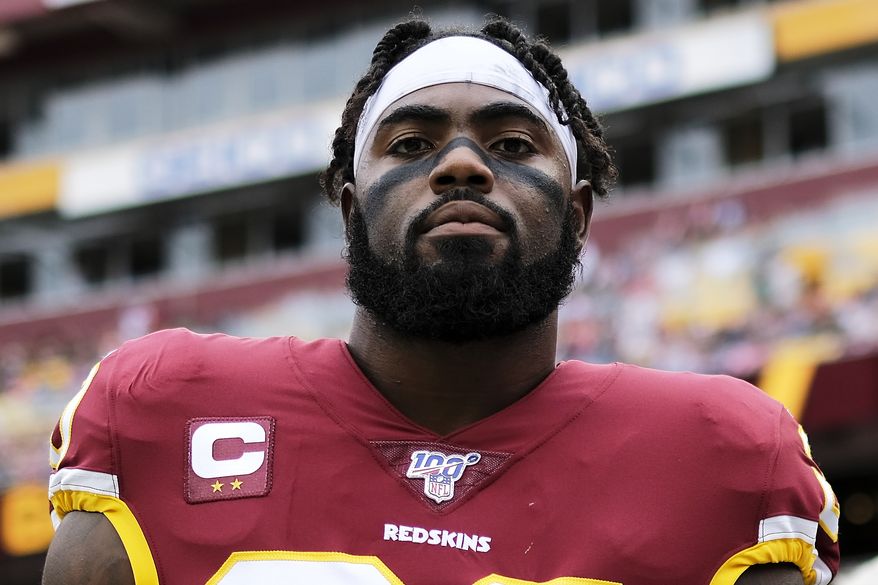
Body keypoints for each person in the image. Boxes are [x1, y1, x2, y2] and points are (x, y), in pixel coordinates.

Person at [42, 16, 839, 585]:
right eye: (412, 144)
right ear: (351, 210)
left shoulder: (720, 457)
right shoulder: (163, 408)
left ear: (578, 211)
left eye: (513, 145)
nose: (462, 165)